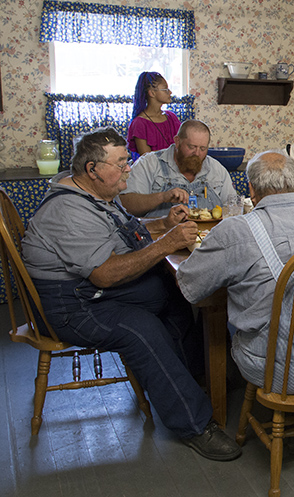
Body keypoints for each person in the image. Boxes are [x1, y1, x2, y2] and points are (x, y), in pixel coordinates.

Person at [21, 128, 241, 461]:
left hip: (88, 291)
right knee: (142, 331)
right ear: (93, 169)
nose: (128, 168)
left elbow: (124, 229)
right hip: (71, 305)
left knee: (176, 295)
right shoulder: (69, 212)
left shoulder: (91, 195)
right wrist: (167, 244)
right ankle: (195, 424)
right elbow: (105, 274)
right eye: (121, 163)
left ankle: (188, 376)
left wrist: (164, 224)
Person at [176, 151, 294, 391]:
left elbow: (190, 285)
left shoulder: (234, 231)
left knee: (233, 312)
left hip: (273, 370)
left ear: (251, 189)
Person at [120, 120, 237, 218]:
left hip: (207, 241)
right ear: (177, 141)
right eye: (192, 147)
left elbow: (233, 208)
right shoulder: (150, 164)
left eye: (203, 148)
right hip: (161, 240)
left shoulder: (217, 169)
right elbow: (126, 204)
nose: (197, 153)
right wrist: (162, 197)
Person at [127, 72, 181, 160]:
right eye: (165, 89)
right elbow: (147, 160)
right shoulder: (139, 123)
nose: (170, 92)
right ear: (152, 93)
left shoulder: (172, 117)